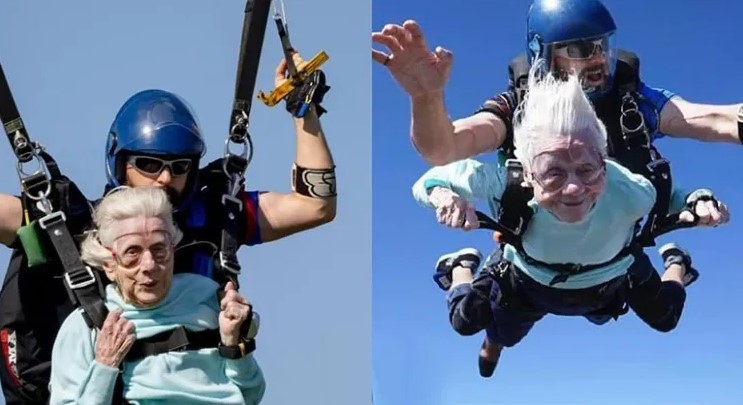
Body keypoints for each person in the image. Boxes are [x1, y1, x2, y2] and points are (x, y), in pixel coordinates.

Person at [0, 54, 334, 403]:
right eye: (148, 164)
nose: (164, 178)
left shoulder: (214, 217)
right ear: (121, 162)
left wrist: (303, 110)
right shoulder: (77, 225)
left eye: (179, 166)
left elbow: (316, 206)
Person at [411, 68, 730, 377]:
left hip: (609, 278)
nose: (575, 188)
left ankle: (677, 265)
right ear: (529, 175)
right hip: (528, 279)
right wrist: (444, 198)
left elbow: (671, 194)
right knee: (467, 321)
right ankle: (463, 271)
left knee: (665, 317)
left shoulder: (631, 189)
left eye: (588, 169)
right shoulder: (507, 182)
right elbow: (430, 180)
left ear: (604, 165)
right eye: (554, 173)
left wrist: (700, 200)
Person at [49, 186, 265, 404]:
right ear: (109, 264)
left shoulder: (210, 300)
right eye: (132, 253)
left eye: (159, 249)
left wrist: (234, 346)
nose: (149, 265)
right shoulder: (86, 327)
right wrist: (105, 365)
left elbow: (250, 395)